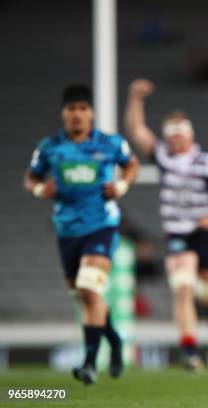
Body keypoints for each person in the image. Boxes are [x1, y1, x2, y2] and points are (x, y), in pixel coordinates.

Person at [124, 79, 208, 371]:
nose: (176, 140)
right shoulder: (164, 156)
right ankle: (189, 350)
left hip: (205, 233)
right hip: (178, 233)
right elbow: (137, 131)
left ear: (189, 136)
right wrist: (135, 98)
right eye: (172, 135)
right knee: (182, 286)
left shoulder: (207, 161)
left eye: (180, 135)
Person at [24, 85, 140, 385]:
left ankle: (88, 363)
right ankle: (114, 340)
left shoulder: (111, 143)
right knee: (87, 297)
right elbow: (31, 176)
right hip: (67, 229)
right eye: (72, 109)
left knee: (89, 289)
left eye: (82, 108)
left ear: (91, 113)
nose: (77, 114)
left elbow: (132, 165)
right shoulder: (50, 147)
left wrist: (123, 186)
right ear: (64, 113)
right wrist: (39, 188)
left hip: (102, 225)